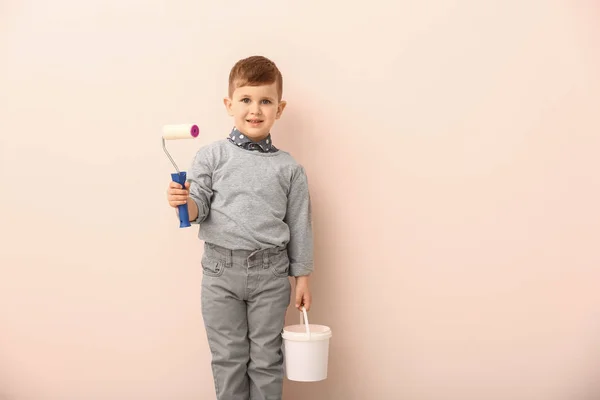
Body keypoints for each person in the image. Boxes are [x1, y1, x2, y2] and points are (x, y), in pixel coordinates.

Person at [166, 55, 314, 400]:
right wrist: (182, 201)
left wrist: (303, 277)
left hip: (271, 274)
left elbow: (300, 226)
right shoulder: (211, 156)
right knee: (228, 359)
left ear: (280, 108)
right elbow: (197, 208)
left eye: (265, 101)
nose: (255, 110)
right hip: (220, 274)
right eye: (246, 100)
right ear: (229, 104)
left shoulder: (289, 168)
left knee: (266, 360)